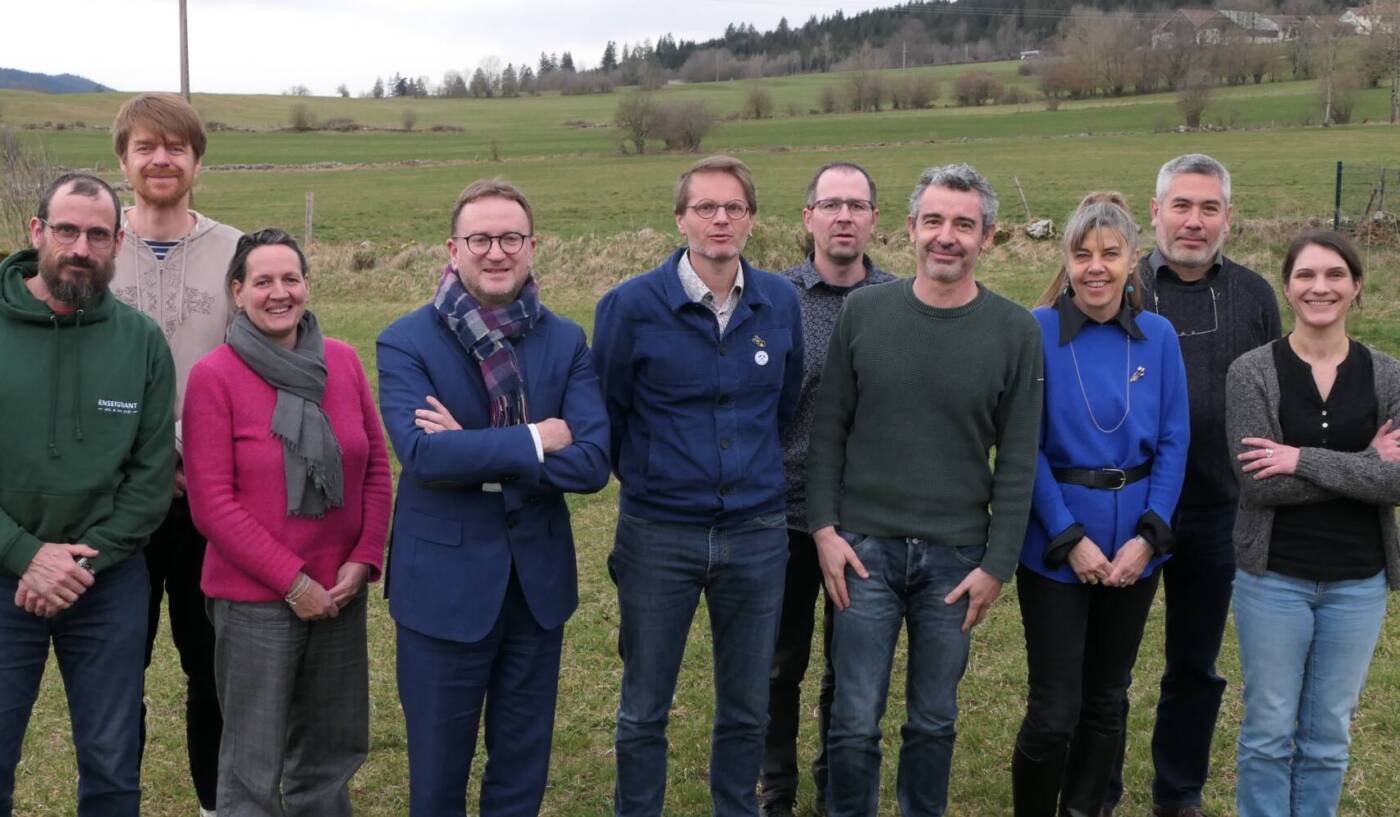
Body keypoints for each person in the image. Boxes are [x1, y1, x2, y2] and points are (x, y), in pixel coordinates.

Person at [806, 163, 1042, 817]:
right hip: (863, 552)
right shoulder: (864, 312)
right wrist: (825, 531)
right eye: (933, 220)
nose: (947, 236)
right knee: (853, 719)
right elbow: (829, 434)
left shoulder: (1014, 330)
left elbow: (1019, 456)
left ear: (987, 237)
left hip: (957, 557)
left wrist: (997, 564)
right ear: (910, 229)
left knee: (933, 721)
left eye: (964, 224)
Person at [377, 178, 610, 816]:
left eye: (510, 237)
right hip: (442, 591)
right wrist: (536, 438)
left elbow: (591, 463)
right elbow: (423, 456)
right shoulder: (407, 341)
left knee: (520, 768)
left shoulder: (565, 341)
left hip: (536, 590)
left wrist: (477, 452)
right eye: (480, 238)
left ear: (533, 246)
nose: (496, 251)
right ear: (453, 249)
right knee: (438, 775)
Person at [592, 155, 803, 817]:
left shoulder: (780, 302)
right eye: (705, 207)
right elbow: (612, 407)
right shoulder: (629, 307)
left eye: (733, 207)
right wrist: (659, 474)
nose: (720, 219)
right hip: (660, 533)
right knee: (644, 705)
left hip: (757, 533)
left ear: (751, 219)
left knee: (747, 704)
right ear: (680, 216)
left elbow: (783, 403)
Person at [182, 228, 391, 816]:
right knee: (253, 762)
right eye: (263, 281)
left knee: (330, 754)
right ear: (237, 291)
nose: (280, 293)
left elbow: (375, 468)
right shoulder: (214, 376)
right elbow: (212, 504)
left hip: (341, 594)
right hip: (255, 600)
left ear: (306, 285)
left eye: (290, 278)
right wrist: (293, 582)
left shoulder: (343, 363)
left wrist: (364, 558)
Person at [1107, 153, 1281, 817]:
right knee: (1110, 668)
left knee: (1195, 665)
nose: (1193, 221)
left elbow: (1277, 390)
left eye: (1209, 208)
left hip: (1217, 510)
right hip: (1127, 508)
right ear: (1154, 212)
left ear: (1228, 218)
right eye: (1181, 205)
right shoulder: (1123, 286)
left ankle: (1177, 792)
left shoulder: (1255, 295)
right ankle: (1099, 787)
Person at [0, 173, 175, 816]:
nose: (81, 246)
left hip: (105, 581)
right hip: (2, 572)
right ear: (37, 231)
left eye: (98, 235)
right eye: (67, 230)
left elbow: (151, 479)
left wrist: (77, 562)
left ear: (118, 243)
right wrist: (24, 554)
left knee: (111, 762)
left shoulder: (142, 341)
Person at [1013, 193, 1189, 817]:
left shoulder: (1159, 337)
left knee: (1107, 699)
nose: (1096, 267)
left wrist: (1149, 537)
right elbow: (1022, 447)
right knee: (1056, 709)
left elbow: (1173, 440)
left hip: (1134, 552)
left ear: (1133, 259)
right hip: (1057, 549)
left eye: (1110, 254)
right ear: (1066, 259)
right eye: (1082, 254)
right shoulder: (1034, 331)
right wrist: (1067, 536)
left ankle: (1087, 809)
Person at [1225, 230, 1400, 817]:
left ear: (1356, 288)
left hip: (1359, 581)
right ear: (1287, 287)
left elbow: (1396, 482)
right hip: (1274, 577)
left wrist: (1299, 458)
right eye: (1305, 275)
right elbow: (1257, 484)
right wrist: (1363, 464)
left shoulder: (1389, 377)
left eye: (1334, 275)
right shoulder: (1251, 372)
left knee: (1328, 737)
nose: (1319, 287)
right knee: (1269, 731)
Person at [110, 92, 242, 817]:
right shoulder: (98, 243)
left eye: (177, 147)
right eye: (146, 146)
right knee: (115, 670)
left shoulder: (234, 250)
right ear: (123, 159)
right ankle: (113, 798)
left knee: (211, 667)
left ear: (196, 160)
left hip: (207, 501)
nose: (162, 159)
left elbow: (253, 369)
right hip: (115, 501)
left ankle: (217, 803)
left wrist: (209, 462)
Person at [762, 161, 894, 817]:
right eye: (831, 203)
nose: (844, 216)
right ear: (807, 215)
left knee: (852, 671)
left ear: (874, 218)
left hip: (867, 516)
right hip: (782, 513)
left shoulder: (900, 300)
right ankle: (775, 791)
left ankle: (837, 787)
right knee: (779, 665)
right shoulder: (772, 297)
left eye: (857, 204)